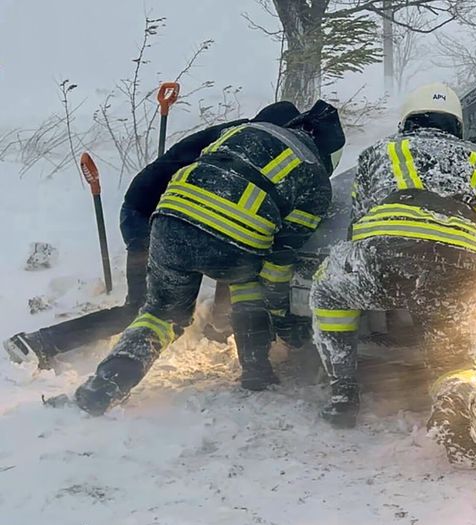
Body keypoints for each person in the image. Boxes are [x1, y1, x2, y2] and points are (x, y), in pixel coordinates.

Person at [73, 100, 345, 416]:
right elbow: (279, 262)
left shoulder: (242, 131)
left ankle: (108, 383)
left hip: (168, 224)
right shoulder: (314, 177)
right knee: (249, 281)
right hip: (232, 243)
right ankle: (256, 370)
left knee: (161, 314)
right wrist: (283, 318)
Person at [2, 102, 302, 368]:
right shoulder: (245, 145)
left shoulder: (242, 137)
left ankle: (218, 326)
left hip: (173, 214)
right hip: (150, 217)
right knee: (141, 308)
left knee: (232, 249)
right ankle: (39, 342)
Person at [310, 83, 476, 470]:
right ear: (456, 125)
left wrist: (376, 275)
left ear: (406, 120)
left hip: (387, 252)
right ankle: (454, 406)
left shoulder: (379, 152)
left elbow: (359, 224)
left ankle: (343, 392)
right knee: (462, 356)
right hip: (464, 263)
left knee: (329, 289)